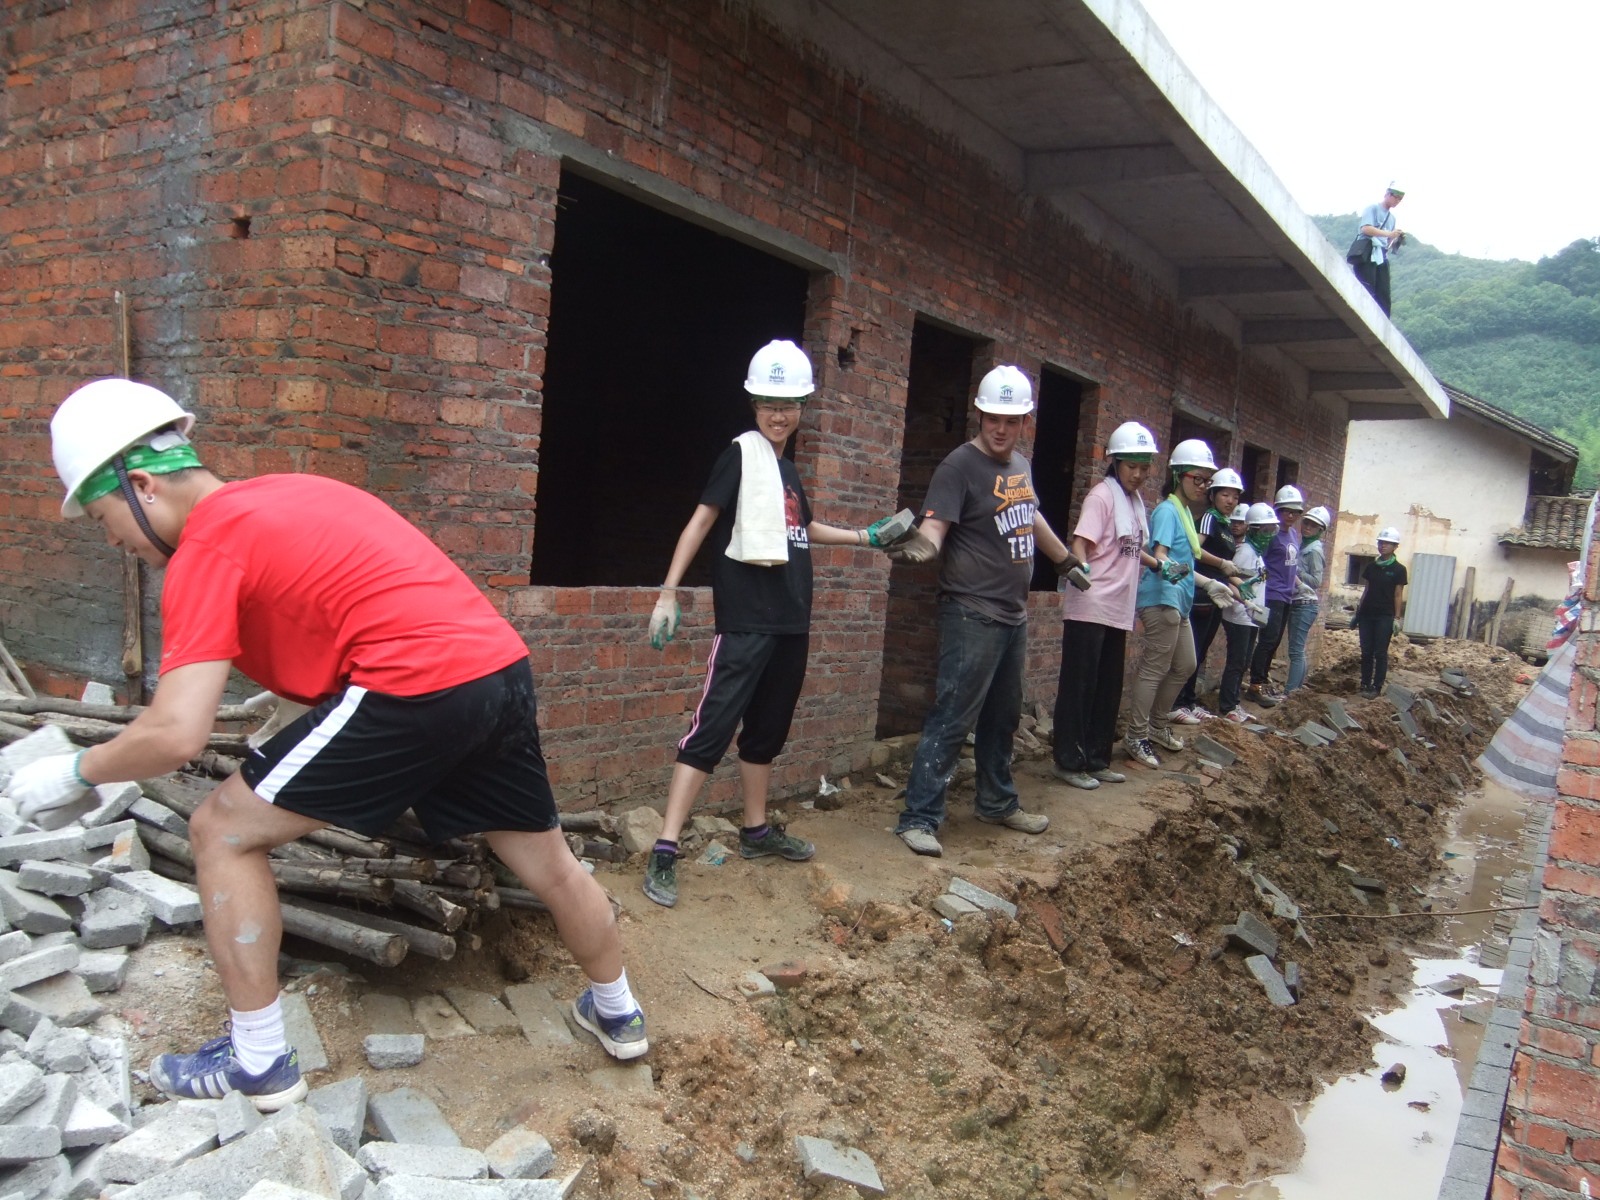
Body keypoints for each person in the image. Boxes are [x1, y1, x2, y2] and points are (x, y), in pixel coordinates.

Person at [8, 379, 651, 1109]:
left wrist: (75, 770)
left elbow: (175, 732)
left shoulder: (205, 551)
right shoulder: (292, 492)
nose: (113, 541)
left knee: (221, 831)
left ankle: (257, 1061)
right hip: (495, 670)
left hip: (408, 685)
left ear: (143, 486)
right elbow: (347, 601)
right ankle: (617, 1009)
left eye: (102, 516)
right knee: (551, 863)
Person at [640, 340, 906, 907]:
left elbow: (804, 530)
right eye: (767, 402)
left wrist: (869, 537)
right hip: (746, 619)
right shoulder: (741, 456)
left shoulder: (785, 470)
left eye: (787, 404)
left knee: (767, 733)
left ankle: (756, 832)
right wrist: (668, 592)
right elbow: (701, 521)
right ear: (753, 403)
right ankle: (665, 847)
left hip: (790, 619)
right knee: (711, 728)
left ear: (804, 406)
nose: (777, 414)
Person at [888, 366, 1074, 856]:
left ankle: (996, 802)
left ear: (1024, 422)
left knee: (1002, 717)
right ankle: (919, 816)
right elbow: (934, 531)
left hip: (1012, 615)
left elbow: (1029, 514)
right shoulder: (958, 467)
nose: (1000, 428)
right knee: (953, 715)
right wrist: (918, 549)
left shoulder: (1022, 466)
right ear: (980, 414)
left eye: (1010, 421)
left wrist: (1063, 559)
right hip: (971, 613)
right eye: (992, 417)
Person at [1051, 421, 1162, 791]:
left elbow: (1130, 547)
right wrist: (1079, 567)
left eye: (1144, 467)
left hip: (1119, 608)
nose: (1138, 474)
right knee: (1080, 686)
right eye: (1132, 466)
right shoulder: (1102, 496)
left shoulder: (1134, 502)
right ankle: (1069, 761)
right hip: (1091, 604)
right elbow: (1082, 543)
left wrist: (1160, 565)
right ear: (1115, 462)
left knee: (1107, 688)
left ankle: (1097, 759)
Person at [1121, 440, 1242, 770]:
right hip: (1162, 600)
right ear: (1177, 476)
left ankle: (1158, 725)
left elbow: (1186, 561)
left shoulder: (1186, 513)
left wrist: (1209, 582)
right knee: (1155, 667)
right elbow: (1159, 556)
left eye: (1206, 480)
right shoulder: (1167, 511)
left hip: (1181, 600)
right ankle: (1136, 734)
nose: (1203, 486)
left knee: (1186, 664)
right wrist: (1174, 570)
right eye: (1197, 479)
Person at [1169, 467, 1244, 723]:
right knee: (1194, 649)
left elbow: (1222, 566)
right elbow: (1196, 551)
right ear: (1212, 495)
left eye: (1235, 497)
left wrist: (1239, 583)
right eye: (1225, 494)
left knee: (1201, 652)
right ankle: (1179, 702)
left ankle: (1190, 701)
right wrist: (1222, 564)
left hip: (1217, 595)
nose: (1230, 501)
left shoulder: (1225, 525)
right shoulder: (1210, 519)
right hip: (1201, 593)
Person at [1246, 484, 1305, 707]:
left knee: (1274, 641)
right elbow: (1261, 562)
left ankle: (1263, 680)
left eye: (1295, 512)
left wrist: (1298, 583)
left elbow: (1292, 565)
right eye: (1286, 511)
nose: (1290, 515)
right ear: (1277, 510)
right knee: (1267, 640)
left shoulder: (1292, 533)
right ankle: (1255, 685)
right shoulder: (1271, 534)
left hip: (1287, 595)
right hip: (1272, 594)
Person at [1220, 504, 1278, 722]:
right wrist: (1245, 602)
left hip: (1252, 616)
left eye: (1271, 530)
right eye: (1264, 530)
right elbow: (1231, 580)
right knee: (1236, 661)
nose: (1268, 535)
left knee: (1243, 662)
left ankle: (1234, 703)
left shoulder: (1256, 553)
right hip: (1239, 615)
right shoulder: (1244, 552)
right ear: (1252, 529)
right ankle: (1227, 706)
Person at [1355, 526, 1408, 697]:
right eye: (1381, 542)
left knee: (1380, 652)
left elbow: (1398, 594)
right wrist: (1358, 612)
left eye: (1387, 543)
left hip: (1385, 615)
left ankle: (1376, 687)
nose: (1383, 546)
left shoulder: (1399, 569)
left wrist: (1397, 618)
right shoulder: (1371, 567)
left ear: (1395, 547)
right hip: (1367, 614)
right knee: (1366, 651)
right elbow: (1367, 590)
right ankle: (1364, 683)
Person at [1285, 505, 1331, 694]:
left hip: (1305, 604)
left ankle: (1290, 693)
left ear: (1321, 530)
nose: (1307, 528)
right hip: (1300, 602)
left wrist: (1297, 571)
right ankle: (1295, 691)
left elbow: (1316, 581)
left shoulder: (1314, 550)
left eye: (1313, 526)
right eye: (1306, 523)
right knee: (1297, 650)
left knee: (1296, 651)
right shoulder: (1303, 545)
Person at [1347, 184, 1406, 315]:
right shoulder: (1373, 208)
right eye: (1396, 197)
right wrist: (1389, 234)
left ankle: (1383, 324)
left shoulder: (1392, 218)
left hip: (1381, 256)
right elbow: (1366, 228)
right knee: (1367, 288)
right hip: (1367, 253)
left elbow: (1386, 243)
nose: (1397, 201)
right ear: (1388, 194)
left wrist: (1395, 238)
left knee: (1383, 293)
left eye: (1400, 199)